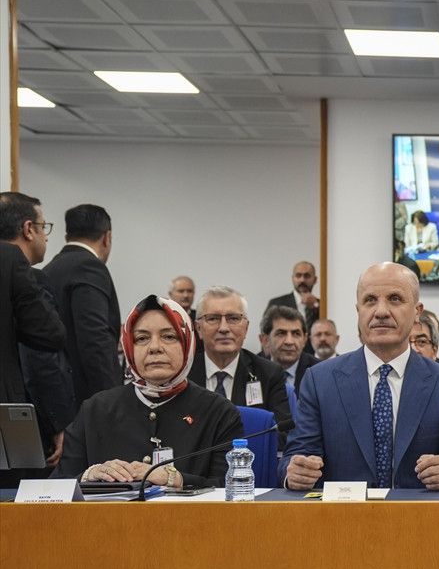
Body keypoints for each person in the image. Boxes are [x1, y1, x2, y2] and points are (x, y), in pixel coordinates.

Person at [282, 262, 439, 491]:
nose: (381, 312)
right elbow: (296, 456)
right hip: (342, 512)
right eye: (370, 300)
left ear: (417, 312)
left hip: (419, 511)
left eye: (395, 299)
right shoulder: (320, 381)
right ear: (358, 311)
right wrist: (296, 472)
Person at [53, 295, 242, 488]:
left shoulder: (219, 412)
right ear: (128, 346)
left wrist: (177, 480)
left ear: (187, 343)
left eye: (169, 336)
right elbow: (55, 486)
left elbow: (232, 488)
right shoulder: (95, 410)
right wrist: (87, 476)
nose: (155, 348)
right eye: (142, 338)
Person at [0, 192, 66, 483]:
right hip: (8, 422)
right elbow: (49, 336)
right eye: (43, 226)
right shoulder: (13, 262)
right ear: (28, 229)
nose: (45, 236)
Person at [42, 203, 123, 415]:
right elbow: (94, 339)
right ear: (107, 237)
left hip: (57, 395)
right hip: (87, 400)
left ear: (67, 235)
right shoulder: (90, 266)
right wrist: (113, 401)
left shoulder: (49, 270)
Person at [188, 286, 291, 428]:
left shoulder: (269, 374)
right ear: (198, 328)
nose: (224, 328)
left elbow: (281, 433)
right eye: (213, 318)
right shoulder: (183, 374)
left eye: (233, 318)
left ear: (246, 328)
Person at [260, 305, 316, 393]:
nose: (289, 342)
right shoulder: (252, 370)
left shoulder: (318, 371)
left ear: (305, 340)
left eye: (296, 334)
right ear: (265, 340)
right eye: (281, 333)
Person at [266, 260, 320, 336]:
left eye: (307, 276)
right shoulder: (276, 304)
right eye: (298, 275)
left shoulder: (322, 306)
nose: (302, 280)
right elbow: (266, 332)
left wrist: (316, 306)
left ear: (315, 279)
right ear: (293, 278)